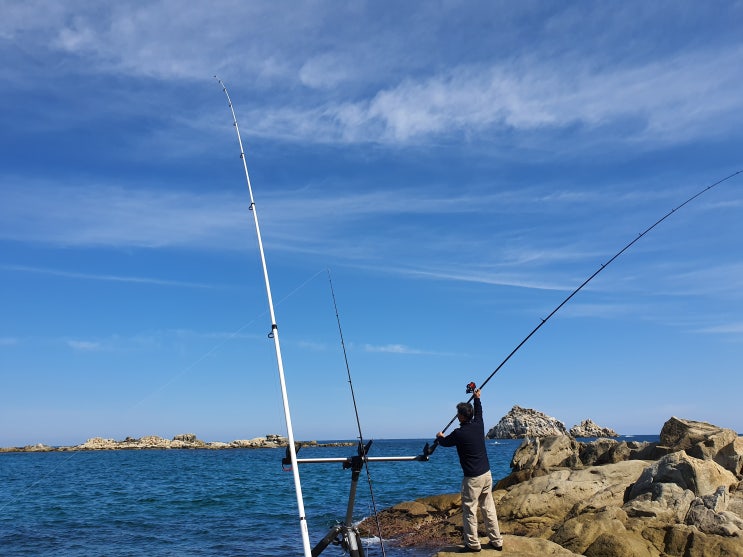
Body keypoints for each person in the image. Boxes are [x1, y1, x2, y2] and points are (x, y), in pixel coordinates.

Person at [437, 389, 503, 552]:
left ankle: (473, 545)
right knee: (489, 508)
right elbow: (479, 411)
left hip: (473, 479)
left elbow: (444, 443)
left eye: (458, 413)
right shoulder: (478, 424)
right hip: (487, 474)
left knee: (469, 511)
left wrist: (439, 436)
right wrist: (477, 398)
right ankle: (497, 541)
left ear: (461, 416)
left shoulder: (459, 433)